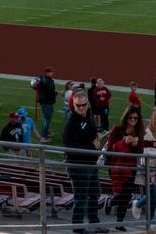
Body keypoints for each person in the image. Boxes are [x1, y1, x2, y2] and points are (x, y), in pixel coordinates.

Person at [64, 91, 103, 232]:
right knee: (81, 197)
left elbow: (90, 134)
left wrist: (96, 135)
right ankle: (78, 228)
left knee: (95, 194)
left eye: (84, 105)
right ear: (73, 105)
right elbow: (70, 148)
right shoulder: (71, 123)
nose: (81, 108)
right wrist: (93, 146)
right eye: (78, 105)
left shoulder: (88, 116)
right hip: (78, 165)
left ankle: (94, 223)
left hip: (91, 164)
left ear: (88, 104)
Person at [105, 105, 144, 227]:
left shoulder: (139, 132)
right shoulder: (117, 130)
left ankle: (119, 221)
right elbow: (110, 148)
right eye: (130, 117)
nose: (133, 120)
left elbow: (140, 152)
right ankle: (111, 203)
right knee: (122, 193)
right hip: (116, 166)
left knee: (126, 195)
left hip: (130, 168)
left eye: (135, 118)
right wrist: (124, 142)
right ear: (126, 117)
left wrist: (136, 145)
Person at [33, 67, 57, 142]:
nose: (52, 73)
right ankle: (43, 137)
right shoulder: (47, 81)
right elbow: (51, 92)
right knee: (47, 119)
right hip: (47, 102)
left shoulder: (42, 79)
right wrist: (55, 93)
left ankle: (46, 132)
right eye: (51, 72)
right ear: (47, 73)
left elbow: (34, 86)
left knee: (45, 118)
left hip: (44, 101)